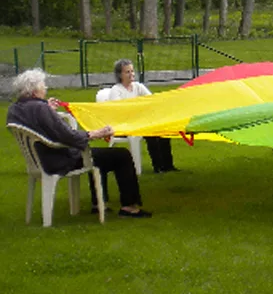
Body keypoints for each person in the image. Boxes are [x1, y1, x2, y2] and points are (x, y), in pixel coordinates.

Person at [7, 69, 152, 218]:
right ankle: (129, 207)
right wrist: (95, 133)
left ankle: (99, 203)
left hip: (39, 160)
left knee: (98, 156)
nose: (45, 88)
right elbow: (68, 135)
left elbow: (37, 123)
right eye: (43, 86)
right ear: (34, 90)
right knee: (121, 155)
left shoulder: (14, 109)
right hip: (58, 160)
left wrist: (47, 108)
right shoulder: (40, 109)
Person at [108, 59, 178, 173]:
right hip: (125, 124)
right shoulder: (116, 90)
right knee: (150, 133)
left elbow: (151, 100)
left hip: (140, 120)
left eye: (132, 71)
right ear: (120, 75)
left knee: (164, 131)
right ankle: (158, 166)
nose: (131, 74)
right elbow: (118, 110)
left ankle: (168, 165)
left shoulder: (138, 86)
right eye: (127, 72)